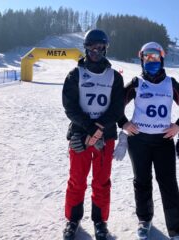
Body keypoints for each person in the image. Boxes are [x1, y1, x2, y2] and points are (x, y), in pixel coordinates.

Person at [114, 42, 179, 240]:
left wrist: (178, 126)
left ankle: (178, 230)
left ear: (162, 58)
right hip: (139, 141)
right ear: (142, 59)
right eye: (147, 57)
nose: (151, 61)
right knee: (142, 181)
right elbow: (116, 106)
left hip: (163, 142)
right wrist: (124, 123)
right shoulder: (136, 82)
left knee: (168, 183)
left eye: (155, 57)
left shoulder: (171, 83)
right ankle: (144, 220)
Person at [62, 29, 124, 240]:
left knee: (101, 181)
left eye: (100, 47)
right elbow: (70, 108)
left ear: (105, 48)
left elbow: (116, 110)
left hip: (105, 136)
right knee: (77, 180)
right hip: (81, 134)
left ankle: (100, 221)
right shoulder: (75, 74)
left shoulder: (114, 77)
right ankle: (73, 219)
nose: (96, 51)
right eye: (92, 47)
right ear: (86, 48)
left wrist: (99, 131)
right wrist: (89, 129)